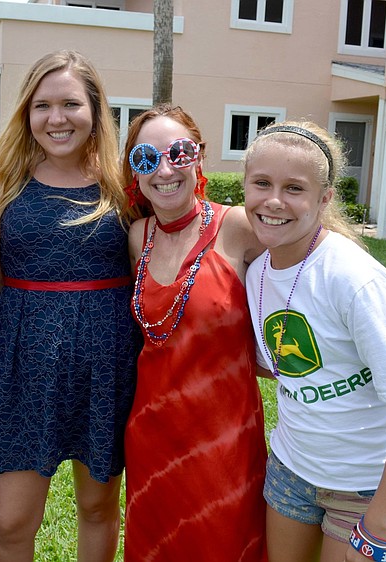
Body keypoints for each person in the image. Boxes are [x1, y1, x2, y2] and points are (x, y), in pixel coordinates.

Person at [242, 120, 386, 562]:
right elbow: (277, 362)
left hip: (359, 485)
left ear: (326, 197)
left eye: (294, 188)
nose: (274, 200)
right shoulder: (259, 272)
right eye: (262, 183)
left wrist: (378, 523)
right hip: (290, 470)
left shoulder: (354, 278)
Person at [0, 50, 139, 561]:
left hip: (106, 368)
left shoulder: (126, 186)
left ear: (94, 110)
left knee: (98, 508)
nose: (56, 118)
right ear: (27, 113)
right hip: (24, 366)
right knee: (13, 521)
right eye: (43, 106)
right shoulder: (0, 184)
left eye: (70, 104)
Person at [121, 104, 269, 561]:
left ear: (199, 157)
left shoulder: (240, 228)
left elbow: (307, 269)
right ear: (135, 172)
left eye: (179, 152)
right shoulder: (138, 236)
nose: (164, 169)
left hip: (225, 441)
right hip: (151, 438)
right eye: (146, 158)